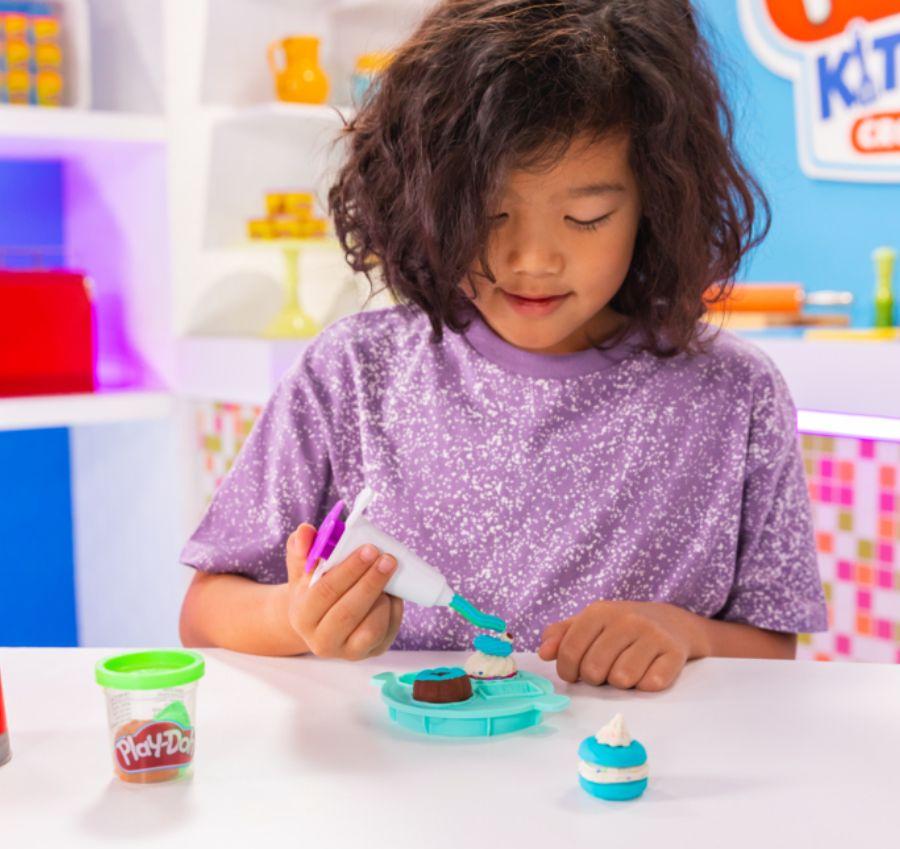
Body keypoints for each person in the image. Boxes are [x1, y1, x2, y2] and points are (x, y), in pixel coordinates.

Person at [178, 0, 827, 691]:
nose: (533, 259)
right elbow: (204, 614)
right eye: (489, 213)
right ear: (427, 198)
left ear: (658, 202)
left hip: (637, 760)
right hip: (396, 758)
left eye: (586, 217)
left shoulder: (734, 394)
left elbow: (772, 646)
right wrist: (295, 616)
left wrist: (688, 634)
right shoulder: (353, 374)